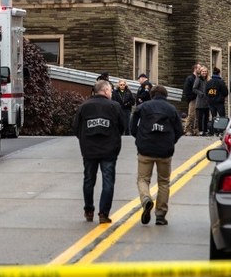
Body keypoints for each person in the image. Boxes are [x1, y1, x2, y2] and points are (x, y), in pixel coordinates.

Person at [73, 80, 127, 224]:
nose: (111, 93)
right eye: (110, 90)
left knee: (89, 180)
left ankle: (88, 210)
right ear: (104, 91)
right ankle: (104, 213)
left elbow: (76, 128)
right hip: (109, 150)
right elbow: (123, 126)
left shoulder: (84, 107)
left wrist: (85, 140)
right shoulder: (114, 106)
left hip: (89, 150)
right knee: (108, 181)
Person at [130, 85, 183, 225]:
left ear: (152, 95)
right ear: (165, 95)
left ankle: (146, 199)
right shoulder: (171, 109)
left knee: (143, 179)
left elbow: (132, 125)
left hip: (145, 148)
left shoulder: (143, 107)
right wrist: (171, 141)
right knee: (164, 182)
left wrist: (139, 138)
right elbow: (179, 130)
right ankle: (160, 215)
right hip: (165, 150)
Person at [206, 67, 229, 134]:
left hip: (211, 102)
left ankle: (213, 131)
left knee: (214, 116)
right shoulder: (221, 82)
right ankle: (221, 130)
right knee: (221, 116)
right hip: (219, 102)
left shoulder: (209, 82)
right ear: (219, 73)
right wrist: (221, 97)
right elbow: (225, 92)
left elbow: (206, 92)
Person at [181, 64, 200, 135]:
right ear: (195, 69)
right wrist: (191, 98)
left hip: (199, 99)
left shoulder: (199, 78)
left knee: (197, 115)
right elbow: (187, 89)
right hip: (193, 99)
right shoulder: (190, 78)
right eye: (199, 68)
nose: (200, 69)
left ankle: (195, 129)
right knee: (191, 115)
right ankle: (187, 129)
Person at [192, 66, 210, 136]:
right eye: (203, 71)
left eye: (205, 71)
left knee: (206, 117)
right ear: (201, 72)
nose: (204, 73)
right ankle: (200, 130)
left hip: (207, 101)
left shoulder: (208, 79)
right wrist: (201, 94)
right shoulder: (198, 79)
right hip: (200, 101)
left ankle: (205, 130)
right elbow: (194, 89)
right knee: (200, 117)